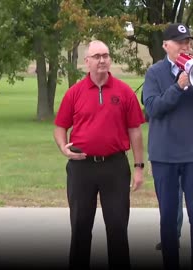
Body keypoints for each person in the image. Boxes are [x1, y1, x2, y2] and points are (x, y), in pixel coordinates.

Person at [53, 40, 145, 269]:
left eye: (105, 55)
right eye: (96, 56)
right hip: (81, 167)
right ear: (87, 62)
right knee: (81, 226)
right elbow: (60, 127)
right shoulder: (75, 92)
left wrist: (139, 167)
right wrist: (63, 147)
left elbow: (135, 131)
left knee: (117, 227)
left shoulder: (124, 92)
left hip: (115, 167)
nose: (102, 60)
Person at [142, 23, 193, 270]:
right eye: (179, 42)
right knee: (168, 216)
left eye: (187, 41)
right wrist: (178, 87)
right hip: (165, 155)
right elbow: (153, 108)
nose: (185, 46)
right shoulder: (154, 73)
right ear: (166, 45)